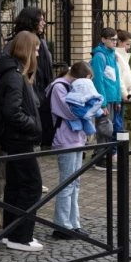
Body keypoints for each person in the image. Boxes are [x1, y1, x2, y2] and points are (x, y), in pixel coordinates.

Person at [0, 31, 44, 252]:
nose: (39, 54)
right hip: (19, 139)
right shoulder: (14, 76)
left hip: (17, 139)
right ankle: (21, 237)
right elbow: (12, 111)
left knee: (15, 186)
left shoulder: (15, 73)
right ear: (27, 50)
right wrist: (32, 124)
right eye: (37, 49)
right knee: (32, 186)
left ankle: (10, 233)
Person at [46, 62, 101, 240]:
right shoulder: (58, 88)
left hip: (76, 139)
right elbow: (72, 113)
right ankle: (61, 225)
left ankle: (73, 223)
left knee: (75, 184)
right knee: (66, 183)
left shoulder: (70, 87)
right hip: (65, 140)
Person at [2, 7, 53, 104]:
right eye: (41, 20)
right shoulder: (14, 44)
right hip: (25, 96)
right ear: (31, 20)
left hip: (43, 94)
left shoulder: (43, 44)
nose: (44, 23)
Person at [90, 27, 122, 171]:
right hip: (104, 100)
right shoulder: (99, 56)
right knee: (104, 129)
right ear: (103, 40)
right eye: (112, 39)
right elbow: (98, 81)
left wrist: (117, 99)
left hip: (111, 99)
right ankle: (100, 159)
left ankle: (100, 156)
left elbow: (116, 79)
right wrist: (102, 103)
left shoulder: (112, 54)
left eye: (116, 39)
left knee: (109, 128)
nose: (115, 42)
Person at [113, 30, 131, 153]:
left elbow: (128, 78)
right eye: (127, 44)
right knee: (117, 124)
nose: (129, 47)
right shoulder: (117, 56)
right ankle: (114, 151)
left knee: (120, 123)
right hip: (119, 96)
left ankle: (118, 149)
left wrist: (130, 92)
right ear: (119, 42)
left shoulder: (124, 56)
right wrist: (125, 94)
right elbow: (119, 79)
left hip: (124, 94)